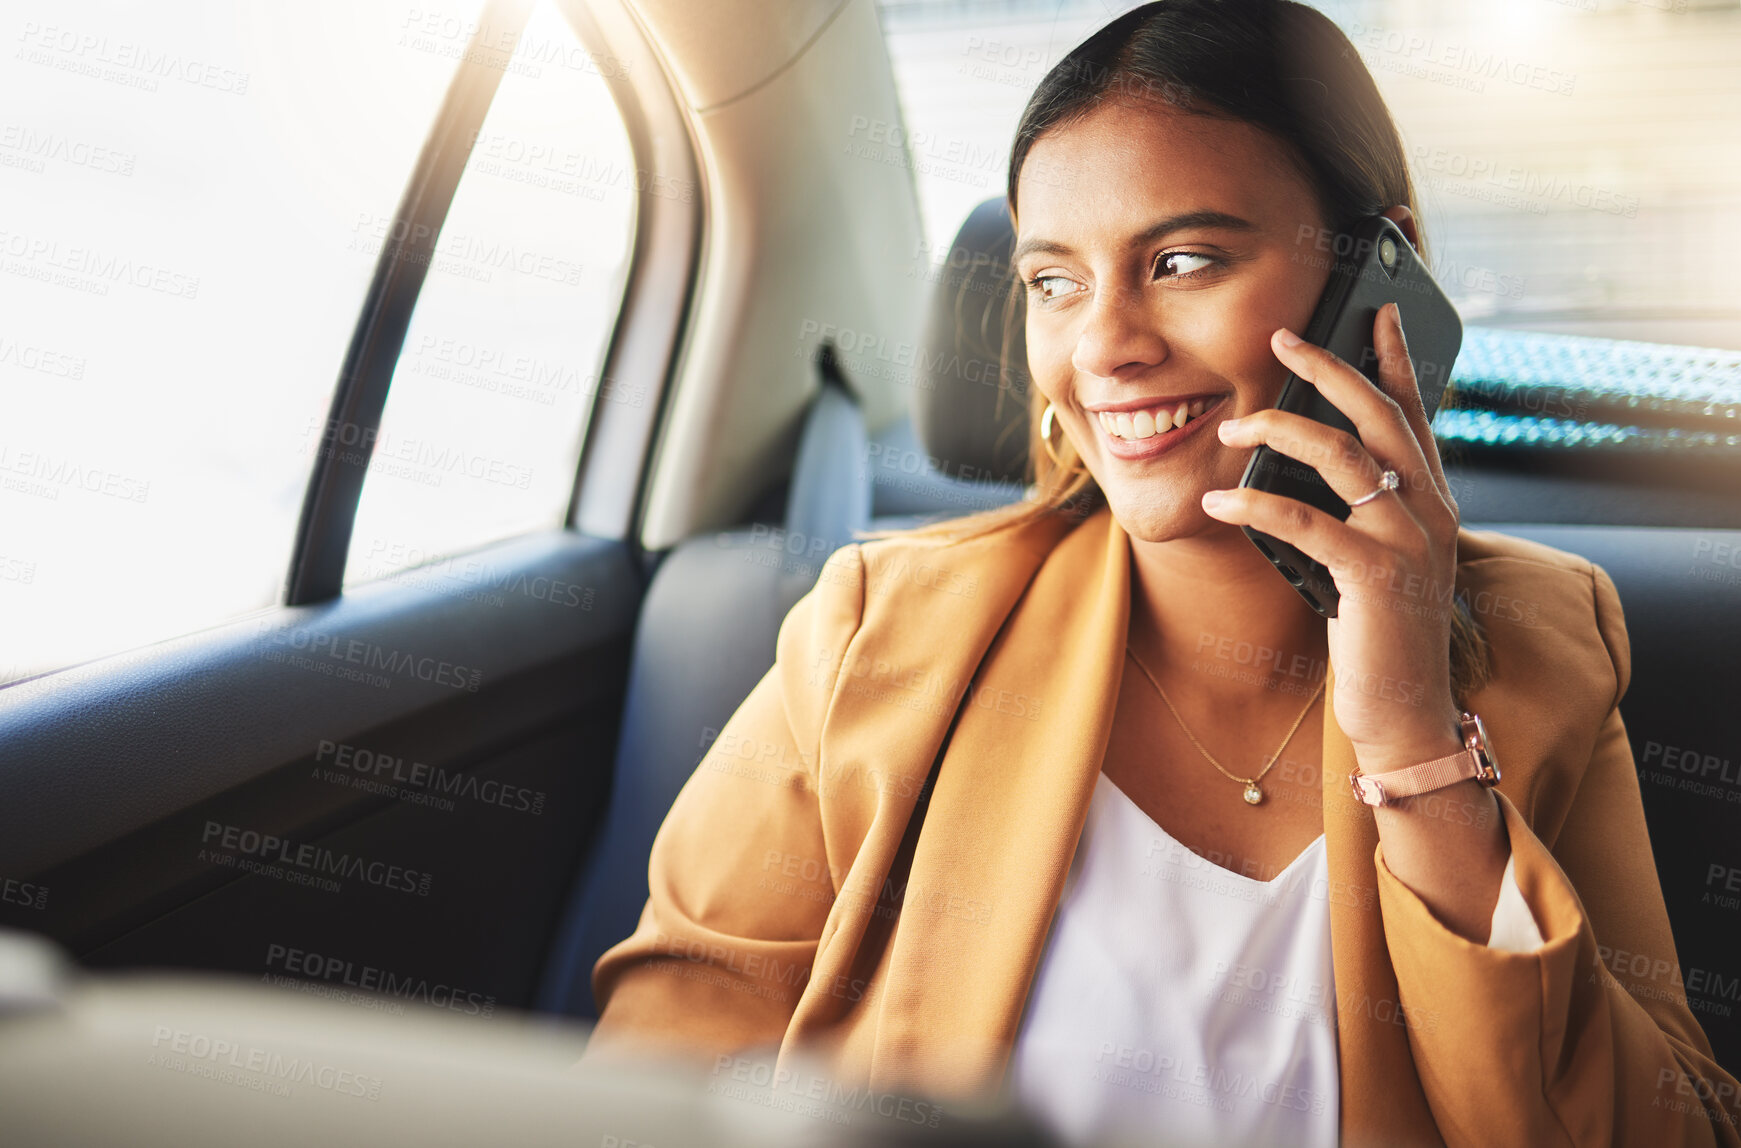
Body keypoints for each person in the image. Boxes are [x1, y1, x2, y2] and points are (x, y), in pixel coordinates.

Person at [585, 2, 1740, 1143]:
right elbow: (655, 1083)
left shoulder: (1548, 640)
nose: (1103, 350)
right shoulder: (872, 630)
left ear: (1376, 279)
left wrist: (1414, 741)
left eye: (1181, 261)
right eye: (1054, 282)